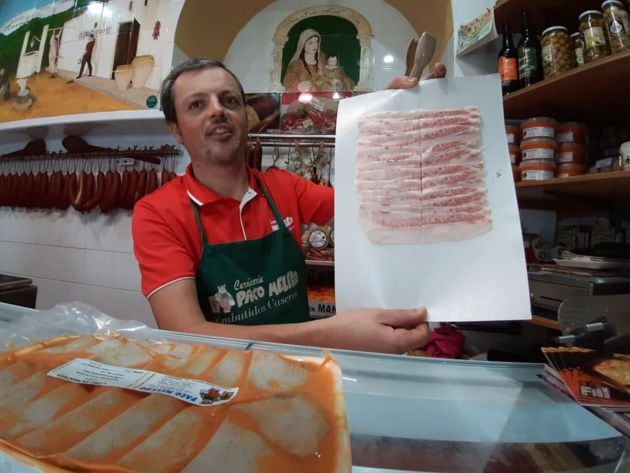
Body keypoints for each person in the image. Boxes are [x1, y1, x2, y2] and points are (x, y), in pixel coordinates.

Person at [132, 58, 446, 354]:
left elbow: (374, 198)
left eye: (229, 100)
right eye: (197, 105)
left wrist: (396, 118)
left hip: (300, 373)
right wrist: (332, 335)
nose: (217, 111)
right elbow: (184, 332)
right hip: (219, 384)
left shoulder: (283, 187)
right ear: (176, 130)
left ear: (245, 116)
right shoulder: (157, 213)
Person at [283, 28, 355, 93]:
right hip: (308, 95)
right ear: (303, 44)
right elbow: (289, 78)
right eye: (310, 43)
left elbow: (337, 69)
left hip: (327, 91)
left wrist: (336, 79)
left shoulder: (323, 57)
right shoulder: (297, 63)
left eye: (316, 42)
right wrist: (299, 86)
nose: (315, 46)